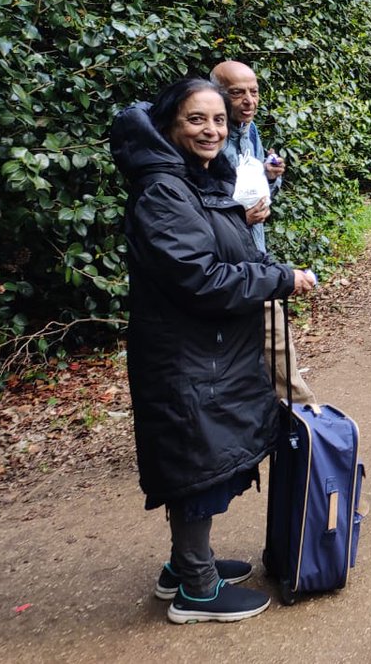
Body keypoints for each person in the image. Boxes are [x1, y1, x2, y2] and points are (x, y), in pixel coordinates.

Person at [110, 77, 318, 624]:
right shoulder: (163, 190)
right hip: (185, 355)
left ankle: (184, 565)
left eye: (219, 120)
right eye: (196, 119)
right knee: (198, 461)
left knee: (207, 454)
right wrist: (279, 280)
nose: (212, 130)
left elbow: (224, 249)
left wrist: (266, 263)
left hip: (212, 351)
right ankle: (196, 591)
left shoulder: (194, 178)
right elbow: (200, 277)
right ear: (169, 124)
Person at [210, 60, 315, 406]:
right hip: (222, 268)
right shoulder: (209, 140)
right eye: (237, 93)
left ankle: (305, 428)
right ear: (217, 95)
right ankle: (312, 432)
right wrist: (237, 219)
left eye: (253, 92)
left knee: (277, 350)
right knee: (267, 353)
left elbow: (252, 193)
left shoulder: (250, 132)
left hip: (255, 257)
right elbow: (201, 207)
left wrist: (272, 178)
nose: (248, 101)